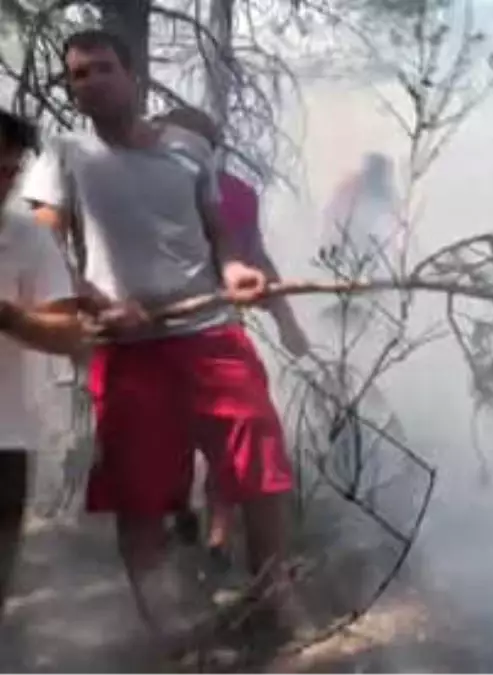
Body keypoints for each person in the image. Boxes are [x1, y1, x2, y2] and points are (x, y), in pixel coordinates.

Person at [21, 29, 307, 649]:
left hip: (211, 335)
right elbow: (40, 246)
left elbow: (218, 234)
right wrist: (99, 303)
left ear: (133, 77)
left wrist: (234, 272)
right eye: (76, 75)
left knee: (260, 463)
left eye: (101, 68)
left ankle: (274, 598)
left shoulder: (187, 150)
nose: (88, 82)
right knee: (141, 491)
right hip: (129, 354)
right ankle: (167, 627)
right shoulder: (64, 154)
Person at [151, 106, 310, 569]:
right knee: (169, 446)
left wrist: (287, 322)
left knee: (234, 442)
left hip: (213, 333)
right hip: (149, 338)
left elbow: (254, 257)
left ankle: (220, 539)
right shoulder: (135, 185)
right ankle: (183, 531)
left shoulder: (235, 195)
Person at [0, 108, 84, 620]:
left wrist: (6, 315)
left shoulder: (27, 238)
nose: (4, 184)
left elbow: (69, 332)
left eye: (10, 171)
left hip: (4, 441)